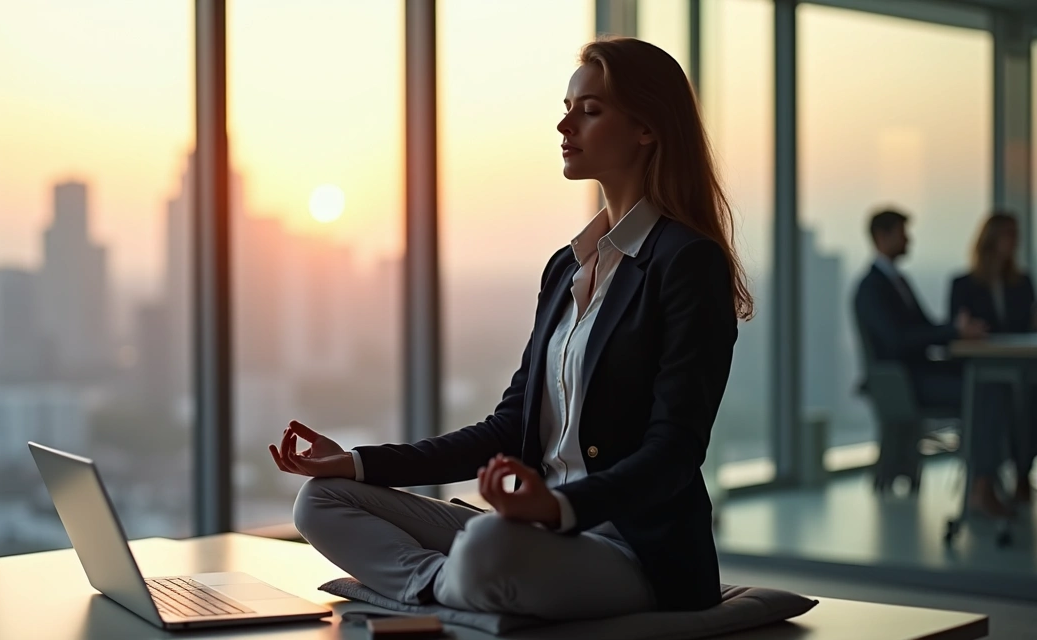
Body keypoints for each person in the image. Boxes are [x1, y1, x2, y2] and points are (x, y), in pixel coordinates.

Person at [268, 37, 751, 618]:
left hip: (629, 550)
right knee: (321, 500)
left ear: (647, 129)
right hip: (532, 537)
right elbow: (508, 427)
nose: (564, 124)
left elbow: (673, 452)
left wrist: (557, 507)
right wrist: (358, 463)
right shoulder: (567, 266)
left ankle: (444, 584)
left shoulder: (685, 262)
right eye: (568, 106)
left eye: (589, 110)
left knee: (488, 544)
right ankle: (440, 589)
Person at [853, 208, 1008, 516]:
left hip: (919, 374)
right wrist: (952, 330)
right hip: (906, 383)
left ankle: (985, 480)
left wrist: (958, 331)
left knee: (990, 382)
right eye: (902, 233)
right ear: (882, 237)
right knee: (985, 391)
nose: (908, 240)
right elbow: (898, 341)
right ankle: (982, 483)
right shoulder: (870, 289)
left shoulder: (898, 282)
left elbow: (921, 329)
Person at [948, 211, 1037, 505]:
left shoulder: (1022, 283)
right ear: (991, 239)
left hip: (1021, 366)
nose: (1015, 241)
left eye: (1016, 234)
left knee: (1030, 396)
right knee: (1000, 393)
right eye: (1008, 234)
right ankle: (985, 483)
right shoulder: (963, 284)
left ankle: (1022, 473)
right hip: (981, 369)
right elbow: (956, 328)